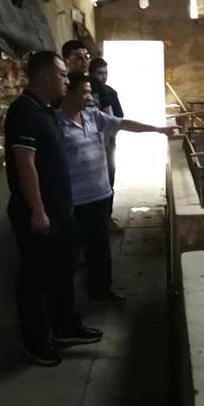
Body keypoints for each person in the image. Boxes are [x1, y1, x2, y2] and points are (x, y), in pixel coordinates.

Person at [4, 51, 103, 367]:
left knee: (63, 269)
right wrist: (37, 210)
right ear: (44, 76)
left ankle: (64, 325)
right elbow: (25, 163)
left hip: (60, 210)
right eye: (61, 74)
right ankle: (35, 341)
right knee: (36, 277)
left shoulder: (46, 111)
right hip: (39, 213)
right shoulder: (23, 112)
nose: (66, 80)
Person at [58, 72, 178, 304]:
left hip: (99, 195)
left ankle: (100, 291)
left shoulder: (93, 116)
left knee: (99, 250)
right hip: (72, 201)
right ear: (67, 93)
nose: (89, 97)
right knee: (69, 253)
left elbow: (123, 124)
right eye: (83, 92)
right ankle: (64, 302)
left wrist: (158, 129)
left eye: (89, 92)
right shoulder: (56, 123)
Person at [89, 57, 124, 231]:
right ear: (90, 74)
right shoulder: (84, 93)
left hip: (108, 145)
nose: (103, 77)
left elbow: (118, 119)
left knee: (109, 179)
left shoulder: (110, 93)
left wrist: (109, 138)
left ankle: (107, 218)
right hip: (89, 145)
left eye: (105, 73)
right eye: (99, 73)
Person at [61, 40, 111, 113]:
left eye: (87, 56)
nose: (84, 60)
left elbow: (108, 113)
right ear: (66, 61)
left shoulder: (96, 83)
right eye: (79, 57)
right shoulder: (62, 84)